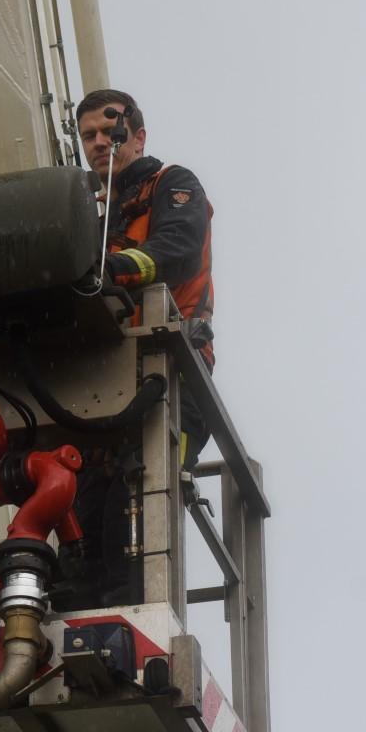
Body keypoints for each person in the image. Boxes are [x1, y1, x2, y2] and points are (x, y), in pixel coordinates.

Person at [57, 90, 215, 609]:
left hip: (174, 381)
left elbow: (178, 250)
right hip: (108, 387)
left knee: (136, 521)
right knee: (82, 530)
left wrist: (111, 270)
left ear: (139, 136)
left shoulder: (172, 184)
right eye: (89, 136)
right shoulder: (94, 215)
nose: (100, 143)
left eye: (111, 131)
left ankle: (133, 615)